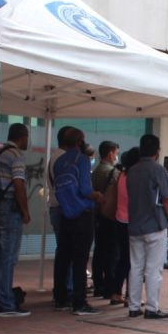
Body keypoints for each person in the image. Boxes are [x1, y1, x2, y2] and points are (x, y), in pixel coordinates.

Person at [52, 127, 103, 315]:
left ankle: (60, 298)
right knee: (80, 259)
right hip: (82, 213)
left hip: (65, 212)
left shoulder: (59, 161)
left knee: (63, 257)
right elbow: (85, 189)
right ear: (80, 141)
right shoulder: (81, 160)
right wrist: (97, 196)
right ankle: (80, 302)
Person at [126, 134, 168, 319]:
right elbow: (167, 199)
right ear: (157, 151)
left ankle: (133, 306)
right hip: (154, 224)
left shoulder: (132, 170)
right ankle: (152, 308)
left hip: (134, 225)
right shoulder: (158, 169)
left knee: (136, 267)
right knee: (154, 269)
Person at [0, 123, 31, 317]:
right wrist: (25, 211)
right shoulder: (16, 155)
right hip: (9, 207)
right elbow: (18, 184)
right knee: (8, 257)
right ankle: (7, 303)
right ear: (22, 137)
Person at [110, 147, 140, 305]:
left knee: (123, 259)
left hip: (119, 220)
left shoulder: (122, 175)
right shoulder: (135, 177)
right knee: (134, 261)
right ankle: (130, 295)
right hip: (132, 222)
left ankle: (116, 292)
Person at [91, 140, 120, 298]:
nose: (116, 156)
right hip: (110, 215)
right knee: (112, 253)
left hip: (96, 215)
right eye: (116, 153)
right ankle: (109, 287)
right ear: (110, 154)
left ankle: (98, 284)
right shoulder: (113, 172)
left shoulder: (95, 171)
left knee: (99, 250)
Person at [48, 126, 74, 302]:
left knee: (63, 250)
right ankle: (66, 289)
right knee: (67, 251)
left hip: (57, 206)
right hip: (63, 208)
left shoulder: (54, 156)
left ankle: (63, 288)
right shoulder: (63, 158)